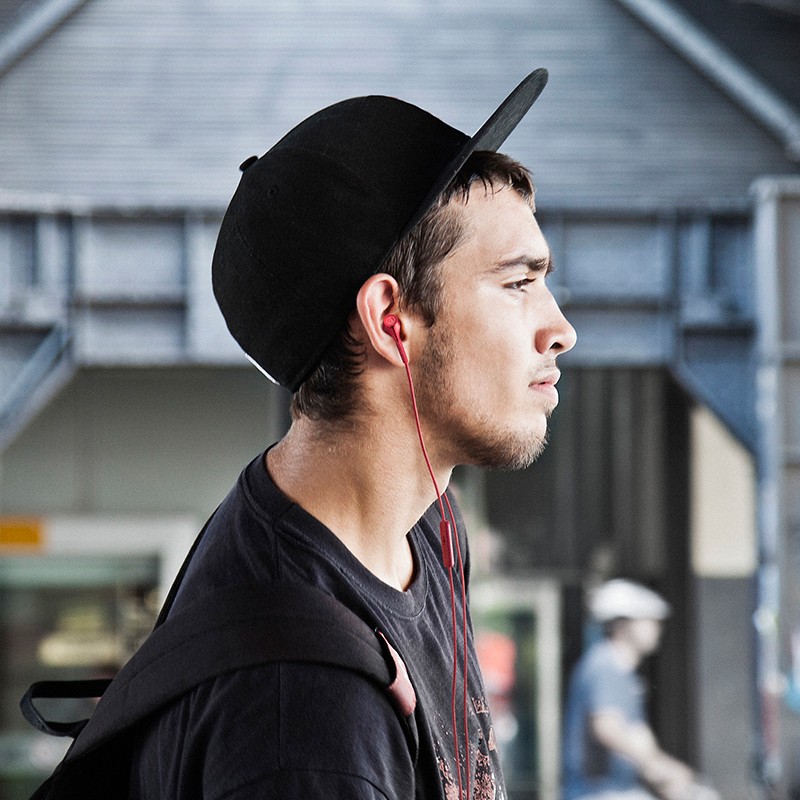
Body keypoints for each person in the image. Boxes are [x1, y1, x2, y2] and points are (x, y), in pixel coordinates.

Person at [128, 68, 577, 799]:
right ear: (391, 321)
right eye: (518, 284)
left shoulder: (422, 528)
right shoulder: (303, 719)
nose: (560, 329)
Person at [562, 579, 720, 800]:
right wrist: (664, 768)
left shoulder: (625, 675)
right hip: (598, 793)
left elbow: (639, 739)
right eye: (648, 620)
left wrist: (665, 773)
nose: (657, 627)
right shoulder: (605, 666)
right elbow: (607, 728)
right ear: (622, 625)